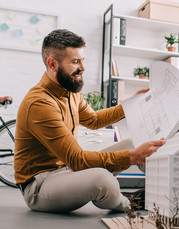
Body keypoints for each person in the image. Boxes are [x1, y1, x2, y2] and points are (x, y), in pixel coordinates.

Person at [14, 29, 166, 213]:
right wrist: (132, 156)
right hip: (40, 185)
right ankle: (132, 203)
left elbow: (93, 120)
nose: (82, 68)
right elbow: (77, 159)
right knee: (103, 180)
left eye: (82, 60)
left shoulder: (70, 92)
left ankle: (167, 190)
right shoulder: (40, 103)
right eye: (75, 62)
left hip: (67, 171)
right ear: (53, 64)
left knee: (132, 143)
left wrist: (128, 106)